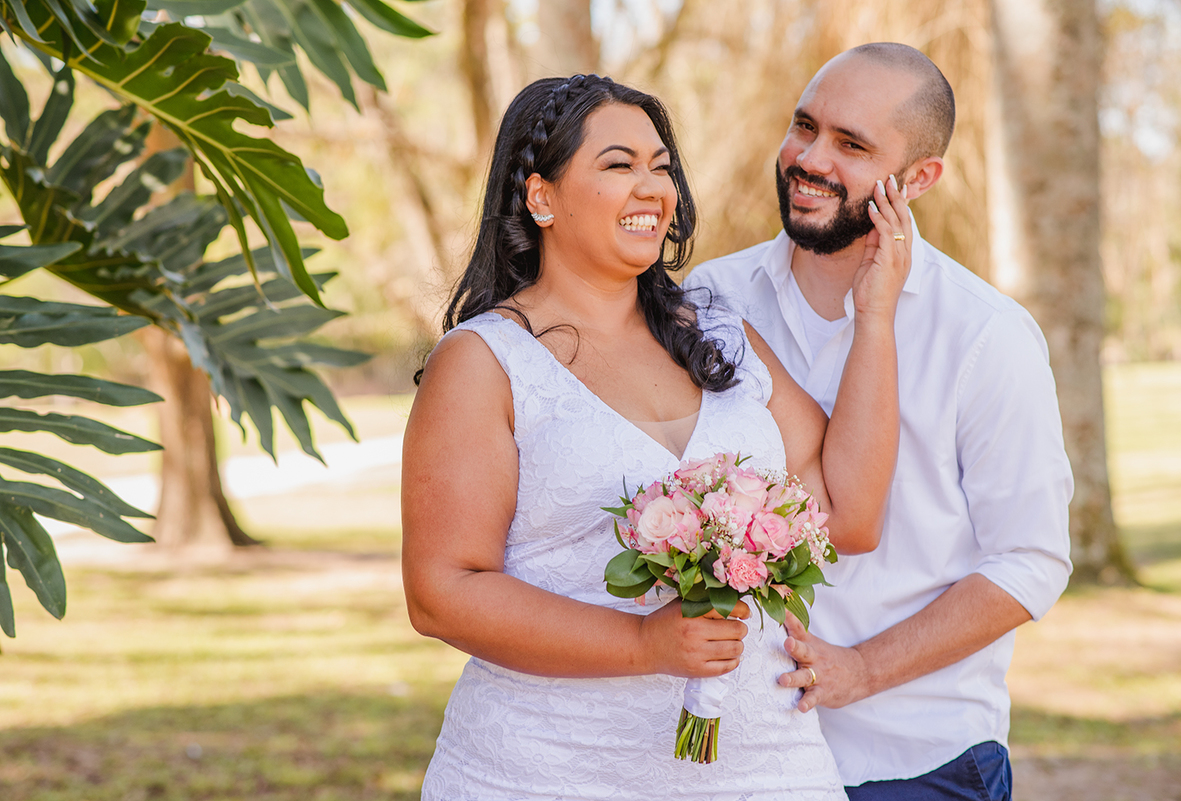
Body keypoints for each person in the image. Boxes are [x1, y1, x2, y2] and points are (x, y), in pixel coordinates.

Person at [402, 73, 912, 799]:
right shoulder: (485, 362)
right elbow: (442, 591)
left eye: (661, 166)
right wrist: (644, 643)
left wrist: (876, 319)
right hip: (549, 773)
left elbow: (850, 516)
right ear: (541, 195)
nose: (654, 188)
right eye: (619, 165)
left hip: (767, 767)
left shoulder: (720, 331)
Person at [685, 43, 1075, 800]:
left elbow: (1029, 560)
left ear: (920, 178)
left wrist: (861, 669)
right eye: (805, 126)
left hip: (915, 760)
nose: (809, 157)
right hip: (734, 756)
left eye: (852, 145)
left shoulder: (986, 334)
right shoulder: (711, 298)